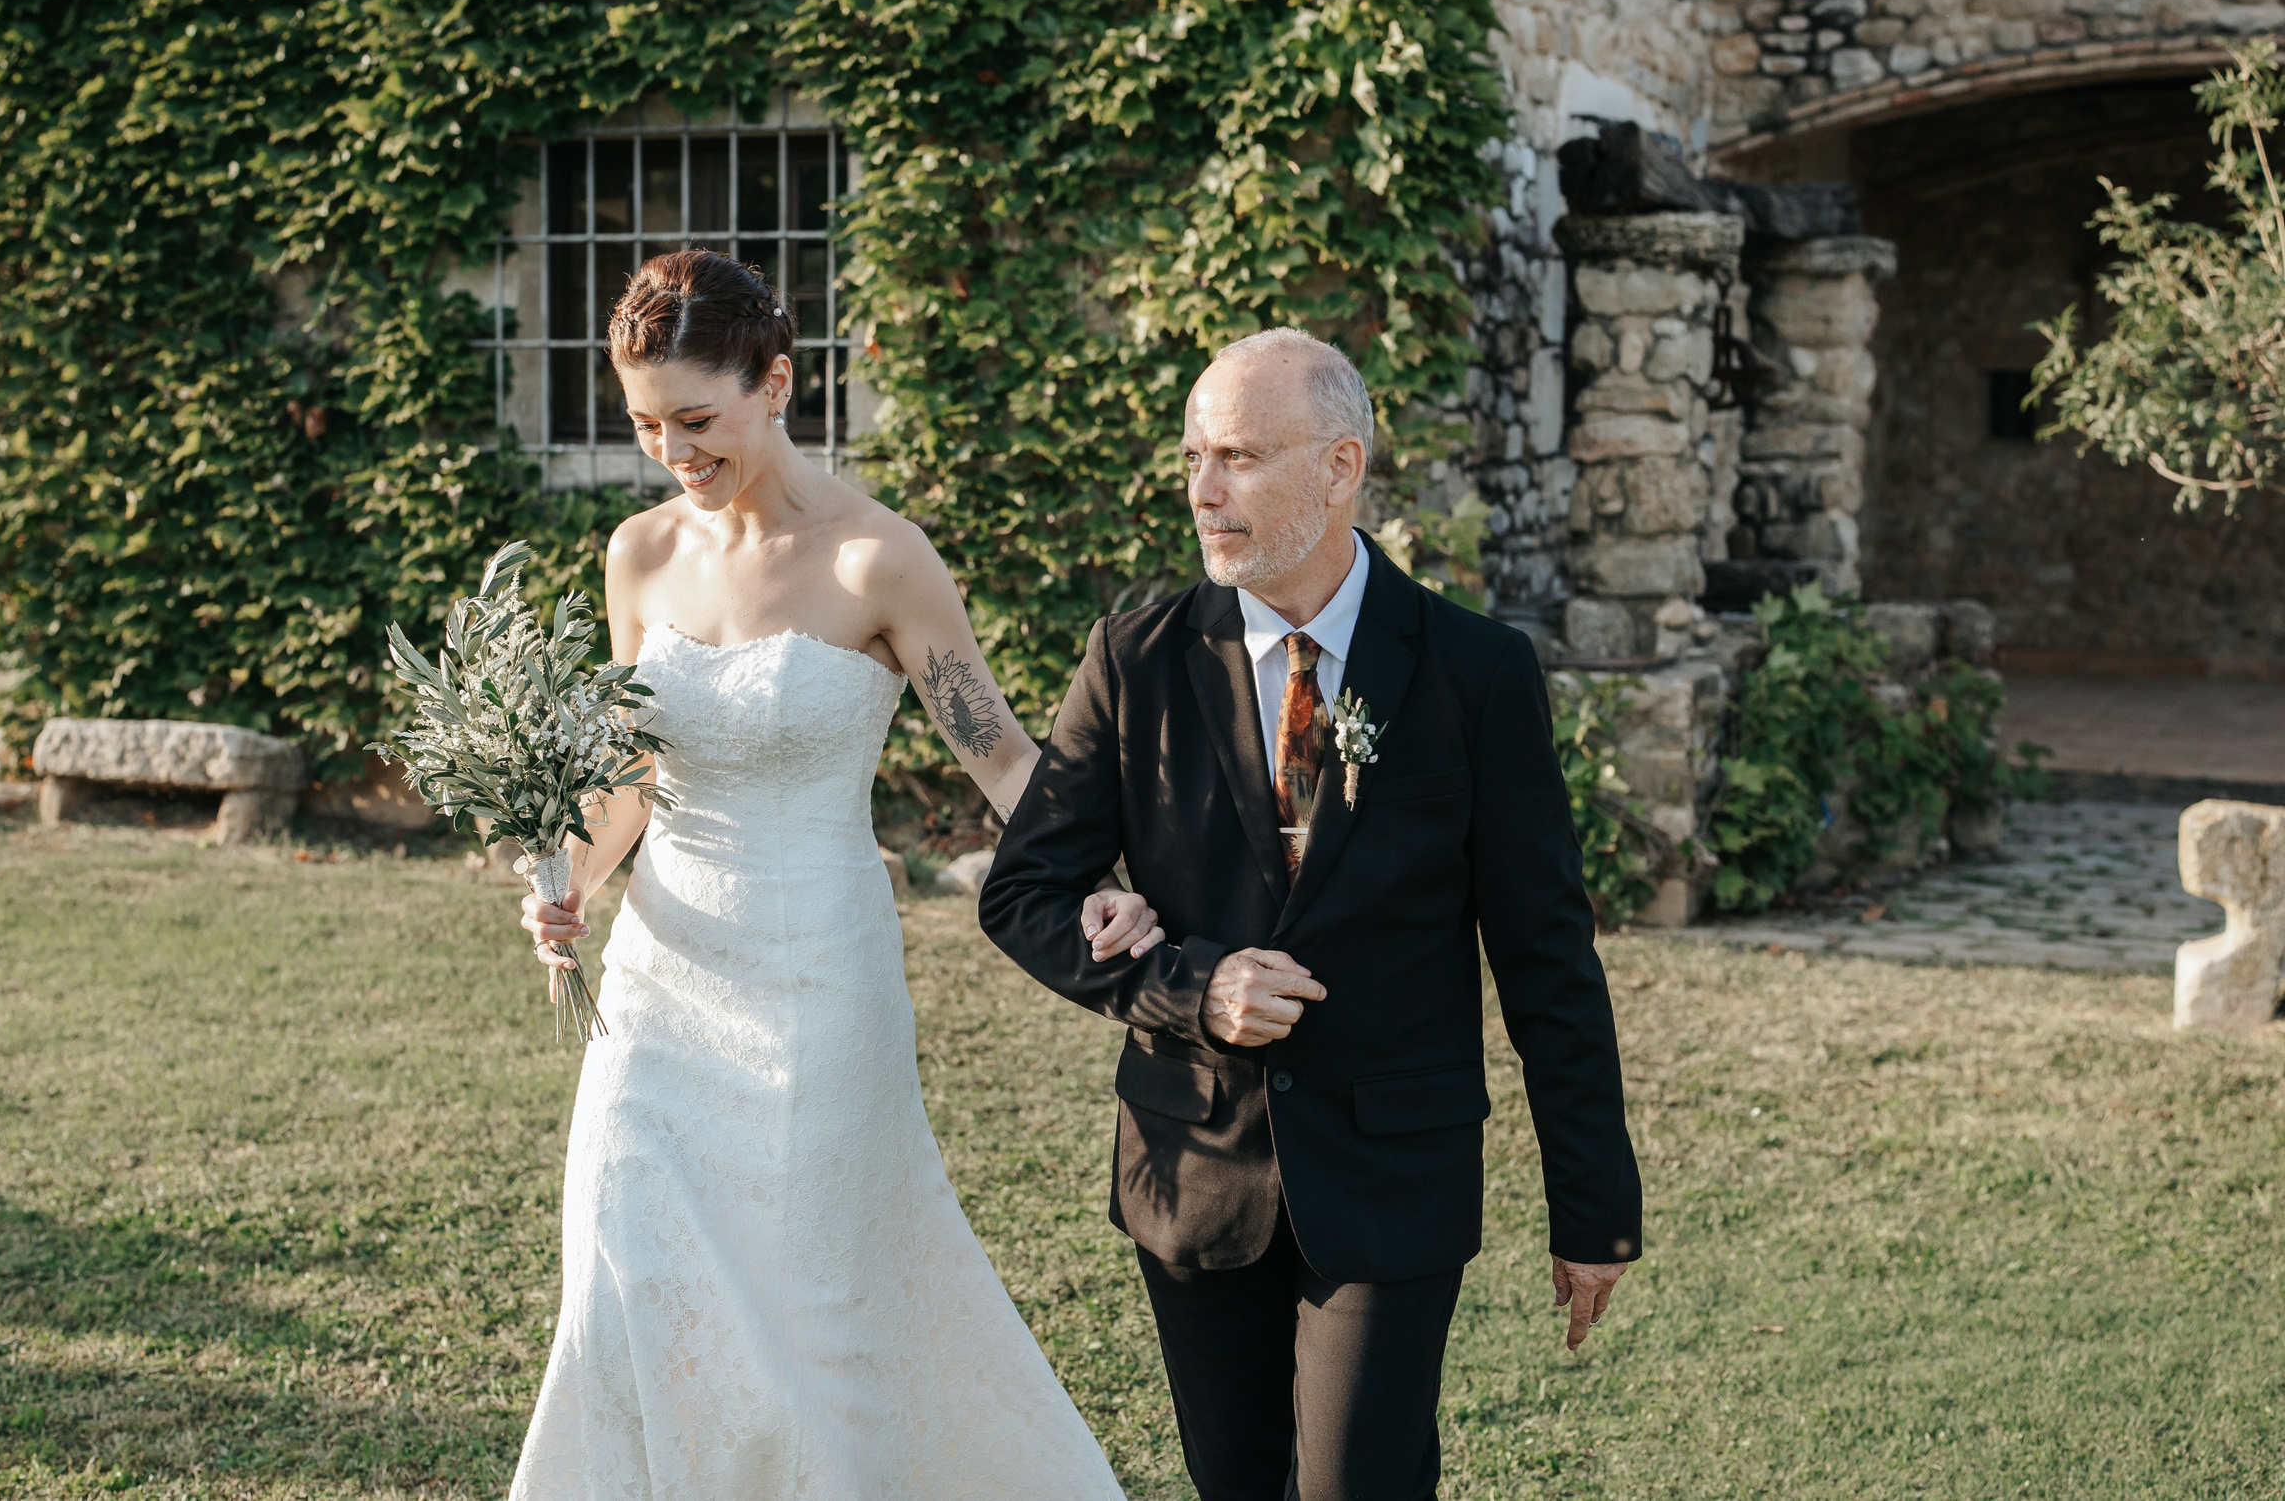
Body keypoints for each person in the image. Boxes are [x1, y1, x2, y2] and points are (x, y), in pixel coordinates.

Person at [508, 249, 1158, 1499]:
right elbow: (637, 772)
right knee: (626, 1272)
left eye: (697, 419)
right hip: (658, 987)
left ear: (779, 383)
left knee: (807, 1317)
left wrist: (1105, 878)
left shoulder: (878, 560)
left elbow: (1000, 756)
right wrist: (570, 878)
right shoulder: (637, 555)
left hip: (816, 989)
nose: (673, 452)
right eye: (645, 425)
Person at [980, 328, 1646, 1501]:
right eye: (1193, 455)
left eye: (1236, 455)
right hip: (1193, 1168)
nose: (1201, 489)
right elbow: (1024, 891)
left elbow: (1546, 953)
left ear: (1340, 467)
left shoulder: (1474, 669)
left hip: (1394, 1168)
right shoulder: (1133, 662)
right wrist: (1191, 988)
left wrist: (1591, 1207)